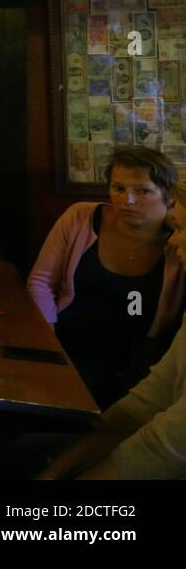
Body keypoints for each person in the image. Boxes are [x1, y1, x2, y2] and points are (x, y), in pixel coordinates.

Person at [34, 182, 186, 479]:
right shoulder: (82, 217)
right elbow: (146, 402)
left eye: (180, 229)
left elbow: (165, 448)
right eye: (118, 187)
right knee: (19, 452)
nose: (174, 241)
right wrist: (58, 469)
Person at [27, 146, 184, 408]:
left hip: (138, 365)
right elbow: (41, 281)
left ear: (168, 196)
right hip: (66, 346)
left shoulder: (179, 242)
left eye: (142, 191)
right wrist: (49, 346)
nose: (127, 200)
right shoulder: (81, 217)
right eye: (118, 188)